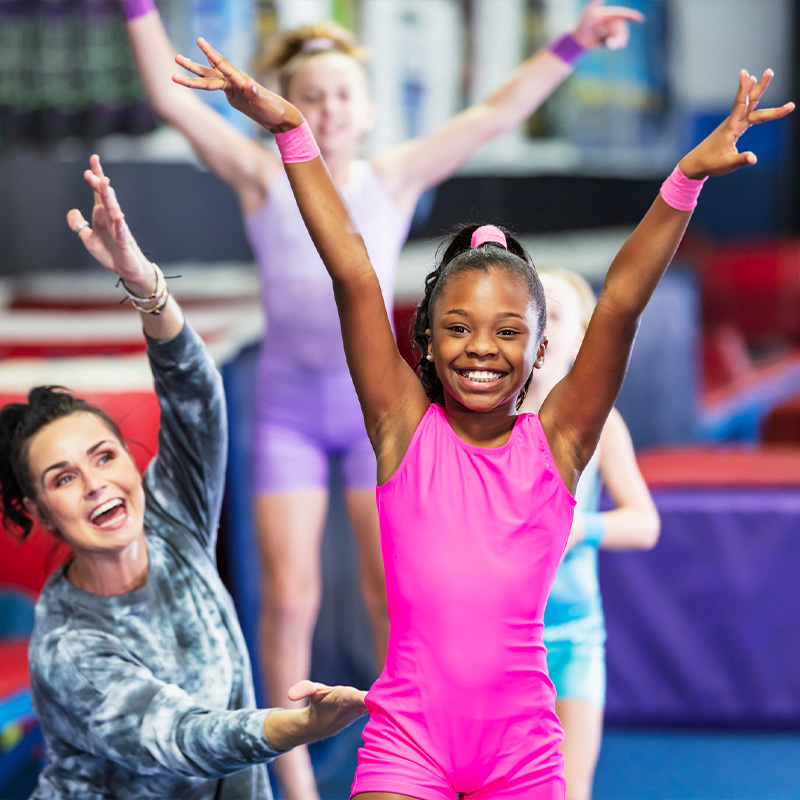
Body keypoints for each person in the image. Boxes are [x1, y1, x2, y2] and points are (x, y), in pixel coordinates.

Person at [175, 45, 793, 799]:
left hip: (524, 746)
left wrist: (684, 179)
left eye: (508, 332)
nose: (481, 350)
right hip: (408, 738)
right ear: (426, 339)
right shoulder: (400, 427)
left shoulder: (563, 442)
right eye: (459, 327)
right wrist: (294, 136)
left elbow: (624, 299)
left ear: (539, 350)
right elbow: (351, 270)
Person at [120, 3, 646, 795]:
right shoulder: (266, 167)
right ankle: (293, 781)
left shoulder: (394, 173)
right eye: (312, 94)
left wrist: (572, 41)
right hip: (296, 409)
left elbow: (498, 110)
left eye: (343, 94)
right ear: (286, 99)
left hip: (384, 416)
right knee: (290, 596)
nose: (329, 108)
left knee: (388, 592)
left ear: (369, 111)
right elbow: (168, 100)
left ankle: (413, 740)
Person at [0, 156, 368, 800]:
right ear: (39, 509)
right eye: (63, 478)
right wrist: (299, 727)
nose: (96, 484)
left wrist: (144, 285)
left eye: (104, 456)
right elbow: (182, 738)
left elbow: (195, 392)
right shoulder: (67, 645)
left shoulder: (172, 519)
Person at [521, 269, 660, 800]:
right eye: (535, 315)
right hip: (509, 639)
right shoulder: (492, 423)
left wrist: (583, 528)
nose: (545, 328)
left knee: (568, 785)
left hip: (577, 638)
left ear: (580, 337)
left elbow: (644, 522)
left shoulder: (603, 425)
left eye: (557, 316)